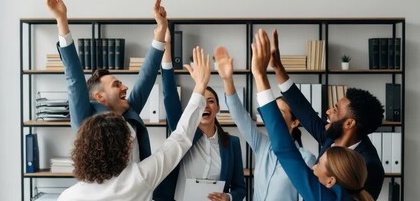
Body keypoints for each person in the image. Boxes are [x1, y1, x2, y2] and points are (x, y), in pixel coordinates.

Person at [57, 46, 212, 201]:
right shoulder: (139, 179)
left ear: (82, 151)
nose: (124, 87)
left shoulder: (67, 197)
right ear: (125, 149)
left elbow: (143, 82)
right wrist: (200, 86)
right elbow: (180, 137)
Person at [43, 0, 168, 162]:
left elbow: (146, 78)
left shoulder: (128, 113)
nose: (125, 87)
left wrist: (161, 30)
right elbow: (74, 79)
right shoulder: (87, 120)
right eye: (116, 85)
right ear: (100, 97)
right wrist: (62, 21)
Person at [251, 29, 374, 201]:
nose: (328, 111)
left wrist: (259, 76)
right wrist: (278, 68)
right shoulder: (330, 137)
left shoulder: (370, 166)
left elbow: (286, 151)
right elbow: (305, 112)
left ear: (349, 124)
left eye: (336, 109)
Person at [214, 46, 316, 201]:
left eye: (279, 114)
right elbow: (240, 117)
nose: (272, 118)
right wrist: (227, 80)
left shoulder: (307, 159)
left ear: (295, 122)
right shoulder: (262, 145)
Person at [158, 30, 245, 201]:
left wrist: (228, 197)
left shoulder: (232, 143)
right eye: (201, 101)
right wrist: (167, 48)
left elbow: (240, 187)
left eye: (211, 101)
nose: (205, 104)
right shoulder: (183, 133)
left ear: (218, 108)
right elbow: (169, 95)